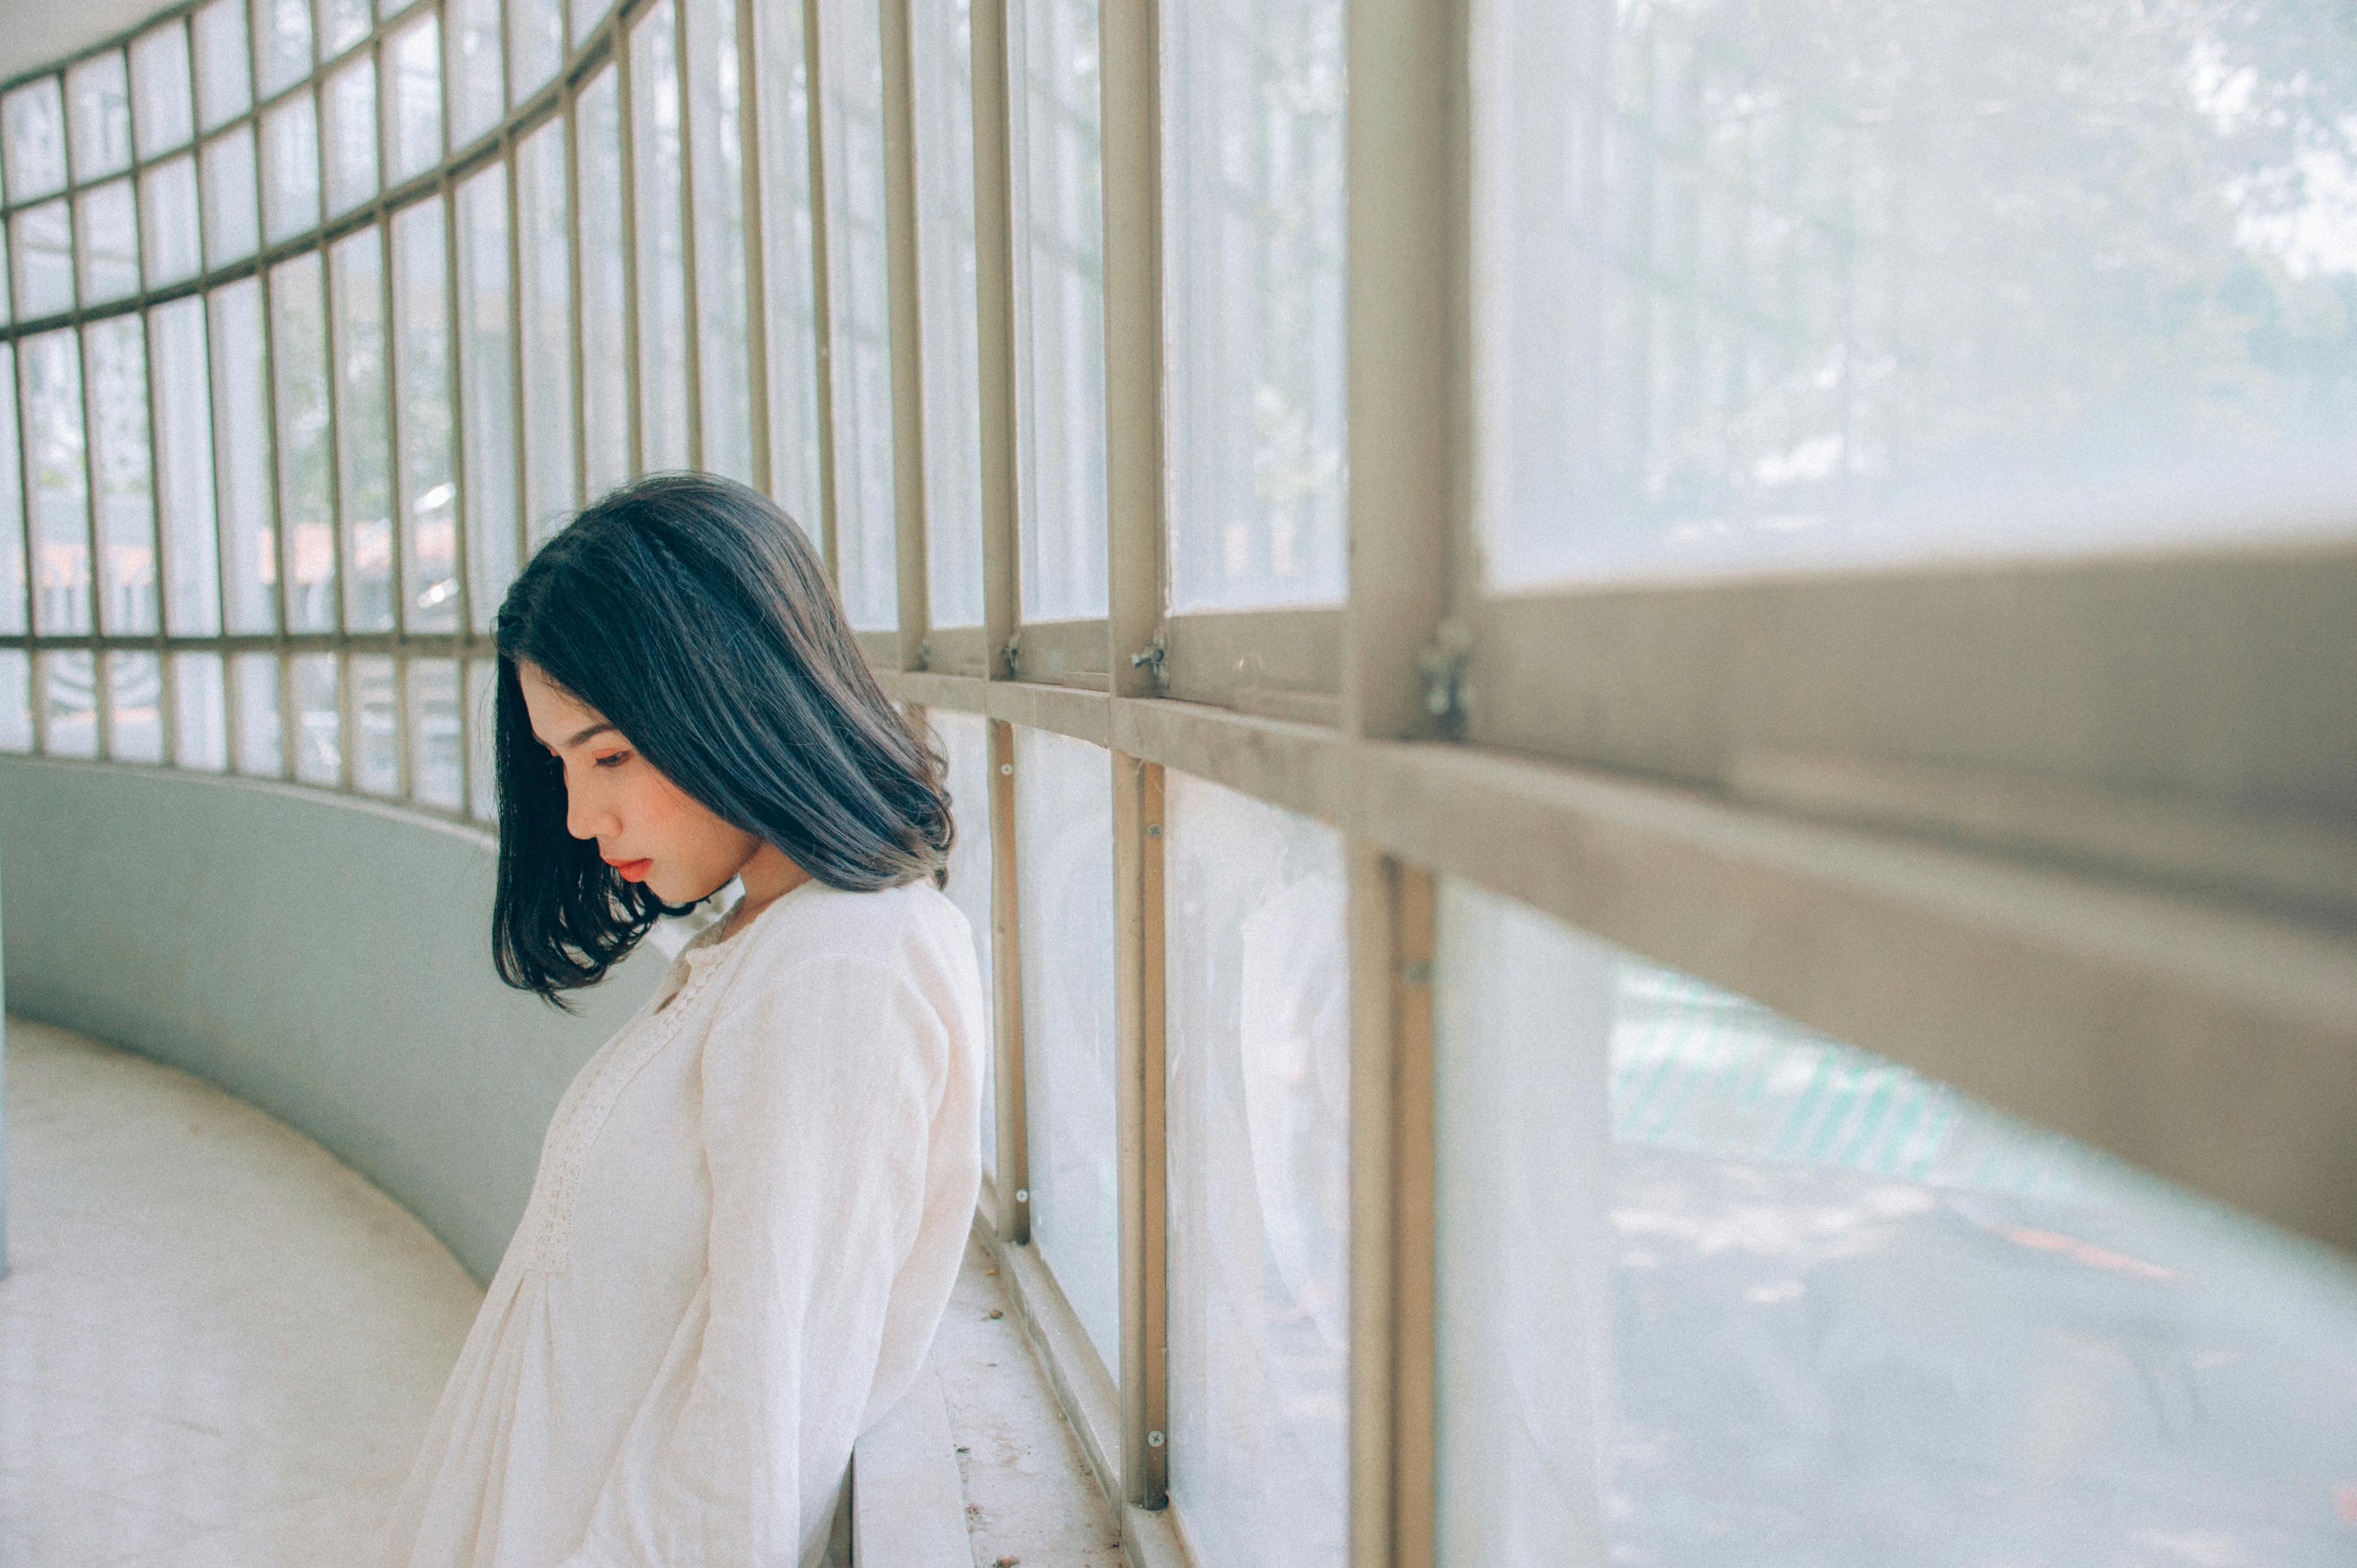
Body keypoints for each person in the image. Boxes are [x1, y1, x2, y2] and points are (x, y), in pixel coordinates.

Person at [381, 473, 985, 1568]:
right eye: (561, 761)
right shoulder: (773, 941)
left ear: (735, 698)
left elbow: (752, 1444)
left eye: (608, 755)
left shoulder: (841, 974)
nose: (577, 815)